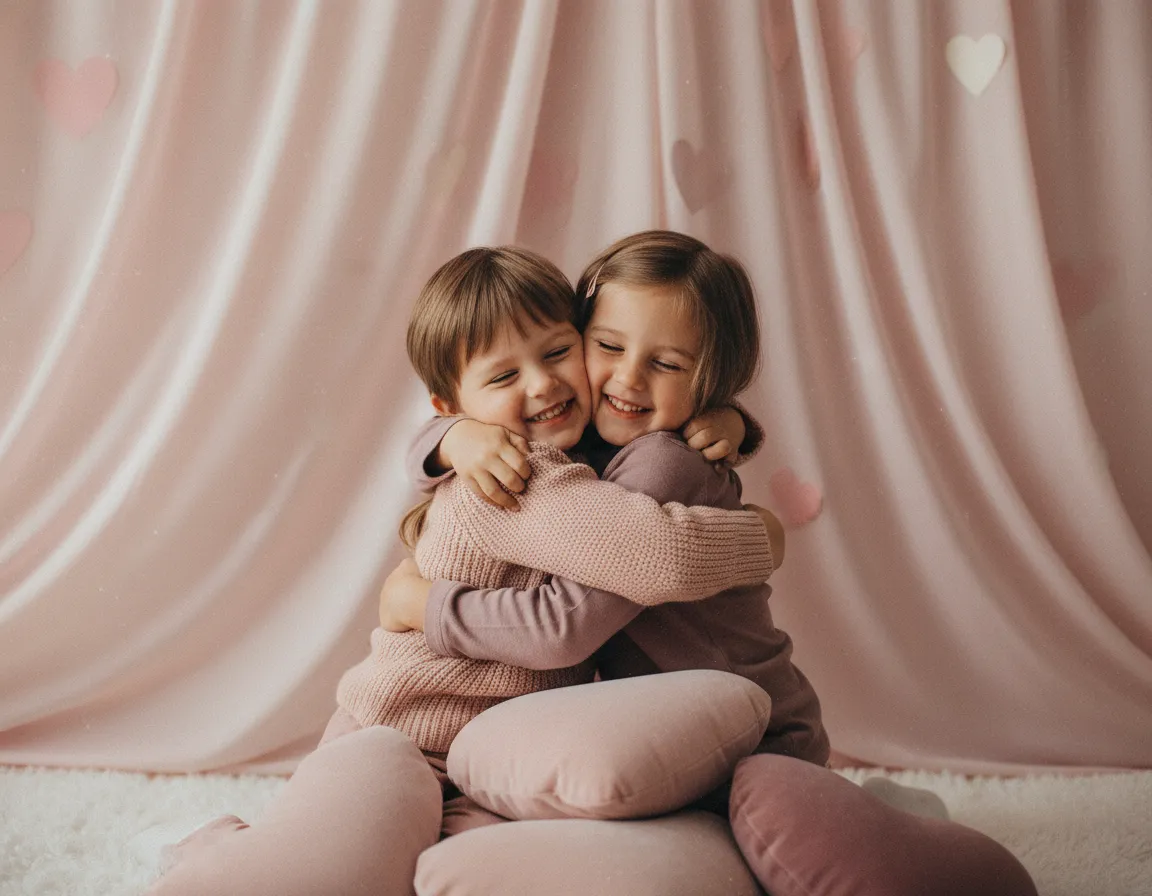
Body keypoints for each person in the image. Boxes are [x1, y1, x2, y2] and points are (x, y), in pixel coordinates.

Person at [146, 245, 781, 896]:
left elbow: (647, 446)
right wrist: (762, 537)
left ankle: (243, 840)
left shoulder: (573, 456)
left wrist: (730, 420)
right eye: (505, 378)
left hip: (487, 759)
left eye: (559, 352)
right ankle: (217, 855)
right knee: (336, 872)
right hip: (402, 737)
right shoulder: (514, 474)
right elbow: (656, 557)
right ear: (454, 405)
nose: (541, 385)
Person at [382, 231, 829, 772]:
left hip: (758, 738)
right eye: (609, 347)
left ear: (711, 382)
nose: (627, 378)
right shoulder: (578, 441)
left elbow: (565, 624)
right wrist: (451, 437)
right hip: (687, 730)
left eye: (666, 364)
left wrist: (423, 606)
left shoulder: (660, 462)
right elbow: (448, 429)